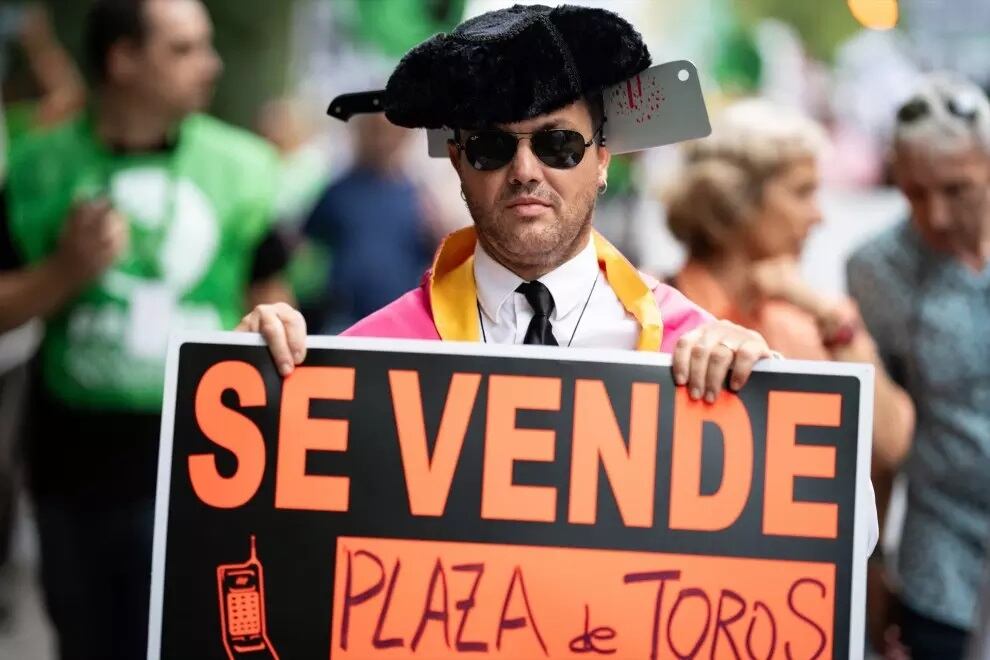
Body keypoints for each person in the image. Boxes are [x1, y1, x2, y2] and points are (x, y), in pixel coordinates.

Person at [239, 5, 878, 566]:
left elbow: (852, 539)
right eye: (492, 147)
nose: (525, 171)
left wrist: (769, 400)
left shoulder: (692, 346)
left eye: (559, 144)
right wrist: (252, 386)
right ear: (458, 161)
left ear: (603, 158)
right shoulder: (374, 354)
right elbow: (251, 535)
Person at [0, 0, 292, 657]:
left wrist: (275, 324)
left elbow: (273, 296)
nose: (211, 65)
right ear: (122, 59)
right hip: (72, 468)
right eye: (184, 49)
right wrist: (65, 271)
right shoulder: (40, 166)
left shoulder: (242, 166)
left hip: (209, 467)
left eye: (208, 45)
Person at [847, 72, 990, 660]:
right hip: (942, 533)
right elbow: (880, 430)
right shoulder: (878, 269)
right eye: (913, 193)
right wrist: (873, 561)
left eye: (957, 189)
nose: (934, 213)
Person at [303, 112, 439, 332]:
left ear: (403, 137)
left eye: (388, 131)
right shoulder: (338, 192)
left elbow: (436, 255)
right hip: (344, 317)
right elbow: (306, 250)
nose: (381, 139)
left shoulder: (418, 198)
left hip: (401, 318)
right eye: (373, 130)